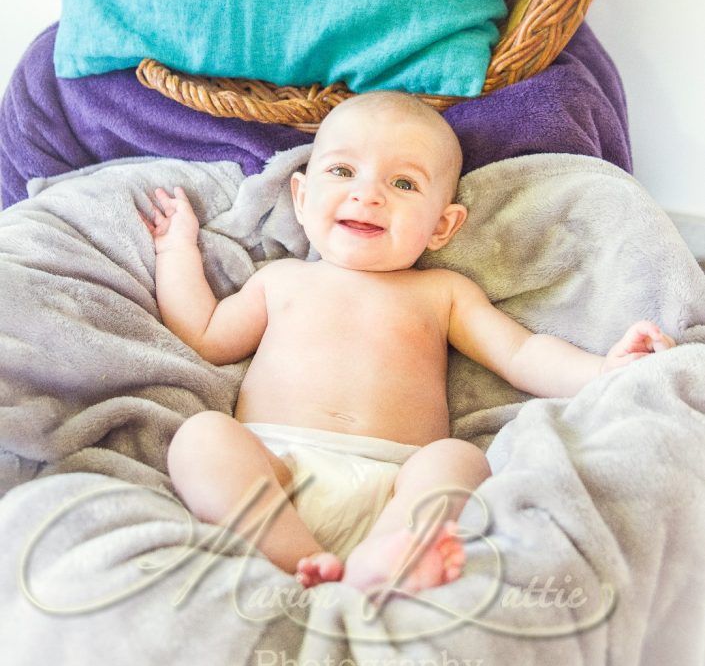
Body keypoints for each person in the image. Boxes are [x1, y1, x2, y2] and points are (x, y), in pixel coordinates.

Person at [143, 91, 675, 598]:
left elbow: (522, 354)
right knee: (201, 437)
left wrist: (604, 370)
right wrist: (175, 250)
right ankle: (293, 553)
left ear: (442, 226)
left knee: (457, 460)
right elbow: (205, 334)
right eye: (343, 171)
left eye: (403, 183)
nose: (367, 193)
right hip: (272, 466)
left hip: (396, 484)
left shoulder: (442, 293)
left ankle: (382, 557)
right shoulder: (280, 280)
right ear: (301, 198)